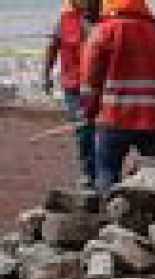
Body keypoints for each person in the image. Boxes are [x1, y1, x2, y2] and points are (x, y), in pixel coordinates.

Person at [78, 0, 155, 194]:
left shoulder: (104, 32)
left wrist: (90, 111)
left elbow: (89, 78)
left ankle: (109, 218)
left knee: (107, 173)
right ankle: (151, 220)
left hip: (113, 119)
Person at [42, 0, 101, 188]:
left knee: (102, 131)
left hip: (100, 87)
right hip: (74, 87)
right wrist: (46, 75)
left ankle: (103, 173)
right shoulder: (65, 20)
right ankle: (88, 174)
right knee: (83, 130)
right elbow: (53, 46)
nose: (88, 4)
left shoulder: (108, 21)